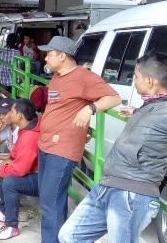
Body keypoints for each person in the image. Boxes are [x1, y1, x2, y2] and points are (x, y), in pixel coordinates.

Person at [58, 52, 167, 243]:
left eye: (136, 77)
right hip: (107, 186)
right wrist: (137, 112)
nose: (134, 81)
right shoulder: (152, 105)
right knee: (69, 235)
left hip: (132, 195)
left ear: (150, 81)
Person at [36, 36, 121, 243]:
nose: (45, 58)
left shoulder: (84, 77)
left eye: (49, 53)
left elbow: (114, 98)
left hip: (62, 148)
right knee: (53, 200)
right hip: (46, 145)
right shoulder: (56, 76)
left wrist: (90, 108)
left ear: (62, 56)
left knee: (49, 202)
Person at [0, 99, 41, 240]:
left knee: (10, 181)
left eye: (12, 111)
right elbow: (14, 156)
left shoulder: (30, 136)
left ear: (19, 115)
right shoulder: (25, 129)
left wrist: (1, 171)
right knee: (5, 169)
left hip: (42, 178)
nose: (9, 114)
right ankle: (3, 212)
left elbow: (21, 169)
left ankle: (11, 227)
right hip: (33, 172)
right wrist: (3, 167)